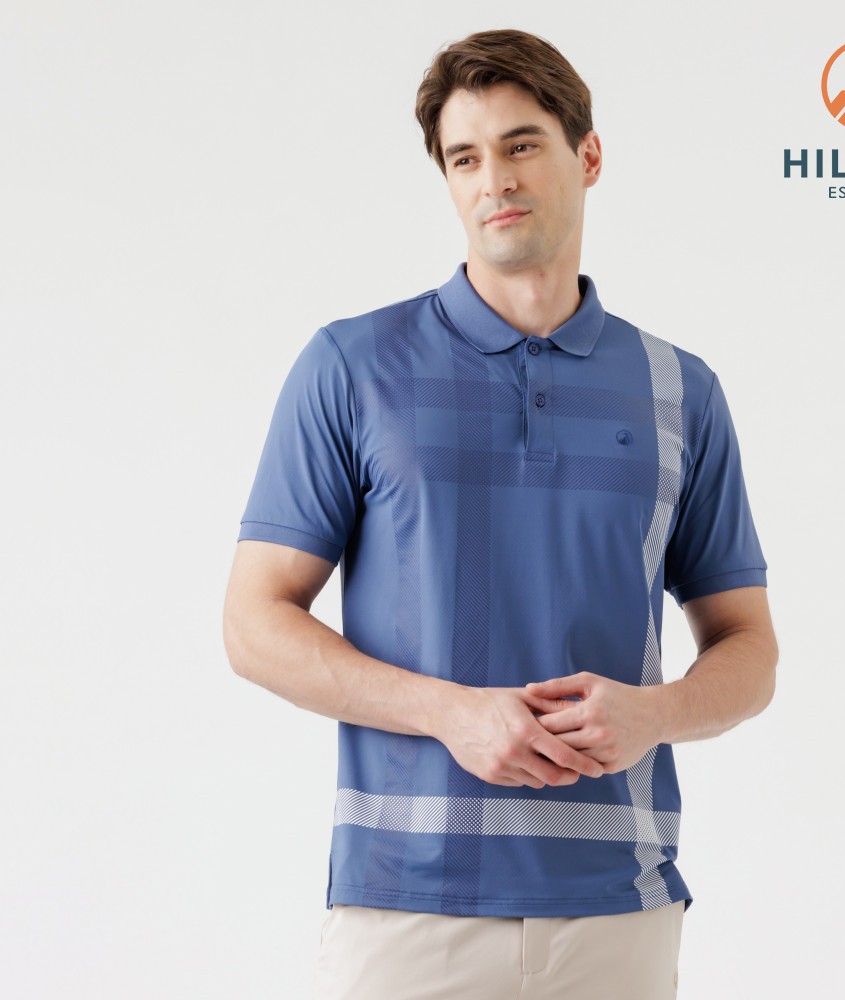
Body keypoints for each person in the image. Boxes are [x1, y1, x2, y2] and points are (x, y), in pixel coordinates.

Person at [222, 27, 777, 1000]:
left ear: (587, 155)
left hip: (619, 911)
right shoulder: (353, 367)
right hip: (406, 911)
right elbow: (252, 624)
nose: (495, 181)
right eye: (465, 158)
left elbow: (750, 649)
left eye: (521, 145)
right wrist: (449, 714)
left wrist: (654, 714)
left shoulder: (679, 389)